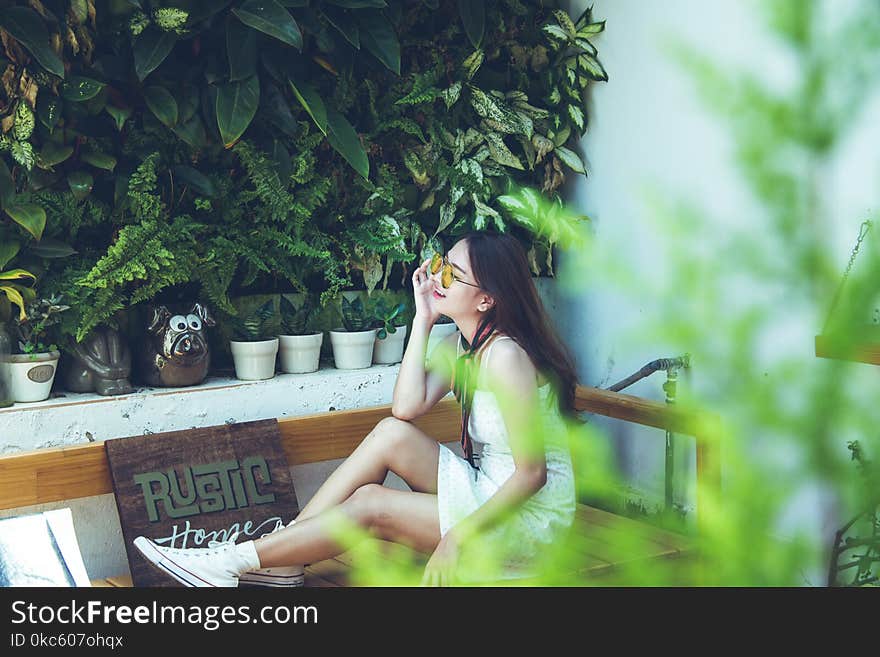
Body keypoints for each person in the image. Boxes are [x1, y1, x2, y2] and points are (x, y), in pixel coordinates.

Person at [133, 231, 580, 586]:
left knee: (371, 504)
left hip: (528, 519)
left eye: (451, 276)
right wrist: (423, 319)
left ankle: (233, 562)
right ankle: (280, 560)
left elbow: (531, 474)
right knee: (390, 433)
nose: (436, 279)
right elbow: (406, 408)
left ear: (486, 300)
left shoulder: (506, 357)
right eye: (441, 265)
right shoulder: (461, 345)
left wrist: (457, 538)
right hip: (487, 486)